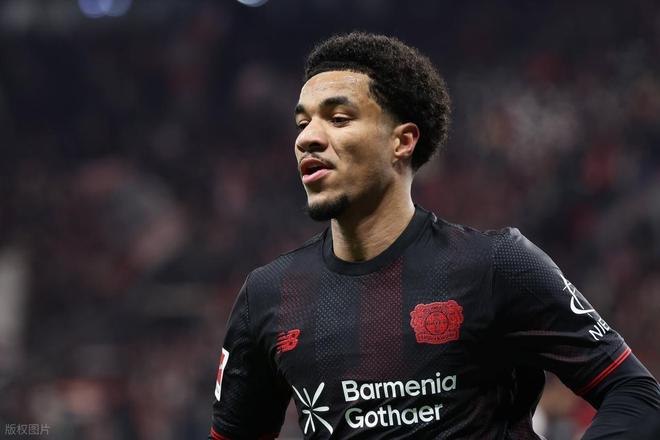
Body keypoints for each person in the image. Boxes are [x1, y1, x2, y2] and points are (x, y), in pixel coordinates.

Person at [209, 32, 659, 439]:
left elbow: (635, 393)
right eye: (302, 123)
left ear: (402, 141)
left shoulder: (497, 265)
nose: (307, 137)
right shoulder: (266, 297)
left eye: (339, 118)